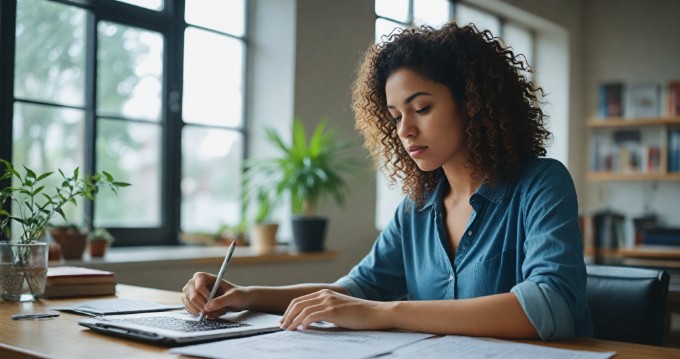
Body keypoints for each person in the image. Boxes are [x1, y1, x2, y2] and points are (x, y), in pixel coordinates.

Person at [182, 22, 593, 341]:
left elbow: (549, 305)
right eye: (395, 116)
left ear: (473, 104)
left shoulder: (541, 183)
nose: (405, 131)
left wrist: (386, 312)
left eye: (422, 108)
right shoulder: (417, 208)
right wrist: (247, 295)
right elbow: (351, 291)